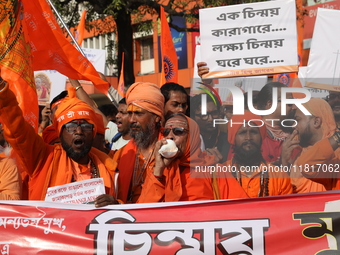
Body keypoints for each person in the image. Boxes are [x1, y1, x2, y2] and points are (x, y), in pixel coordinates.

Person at [0, 76, 117, 207]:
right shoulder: (43, 157)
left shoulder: (109, 167)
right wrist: (2, 90)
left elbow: (126, 211)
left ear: (94, 133)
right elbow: (17, 129)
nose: (78, 131)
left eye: (85, 126)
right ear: (60, 132)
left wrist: (115, 205)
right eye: (71, 126)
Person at [137, 114, 247, 202]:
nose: (170, 136)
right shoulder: (160, 171)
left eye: (178, 131)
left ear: (192, 137)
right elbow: (143, 212)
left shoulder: (213, 170)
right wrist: (158, 169)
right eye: (166, 132)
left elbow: (240, 209)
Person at [222, 111, 293, 197]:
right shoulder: (219, 174)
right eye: (242, 132)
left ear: (261, 137)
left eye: (253, 132)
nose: (248, 138)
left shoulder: (279, 176)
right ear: (233, 138)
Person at [115, 82, 164, 203]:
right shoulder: (122, 153)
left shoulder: (170, 149)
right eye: (130, 113)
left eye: (138, 114)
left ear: (156, 117)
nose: (131, 120)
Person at [285, 98, 340, 193]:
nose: (294, 126)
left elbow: (306, 164)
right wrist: (284, 160)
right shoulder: (299, 153)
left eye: (298, 120)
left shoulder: (335, 154)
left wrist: (337, 138)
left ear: (316, 122)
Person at [191, 93, 229, 163]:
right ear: (193, 117)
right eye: (204, 115)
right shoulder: (190, 142)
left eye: (214, 113)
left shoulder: (228, 140)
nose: (210, 119)